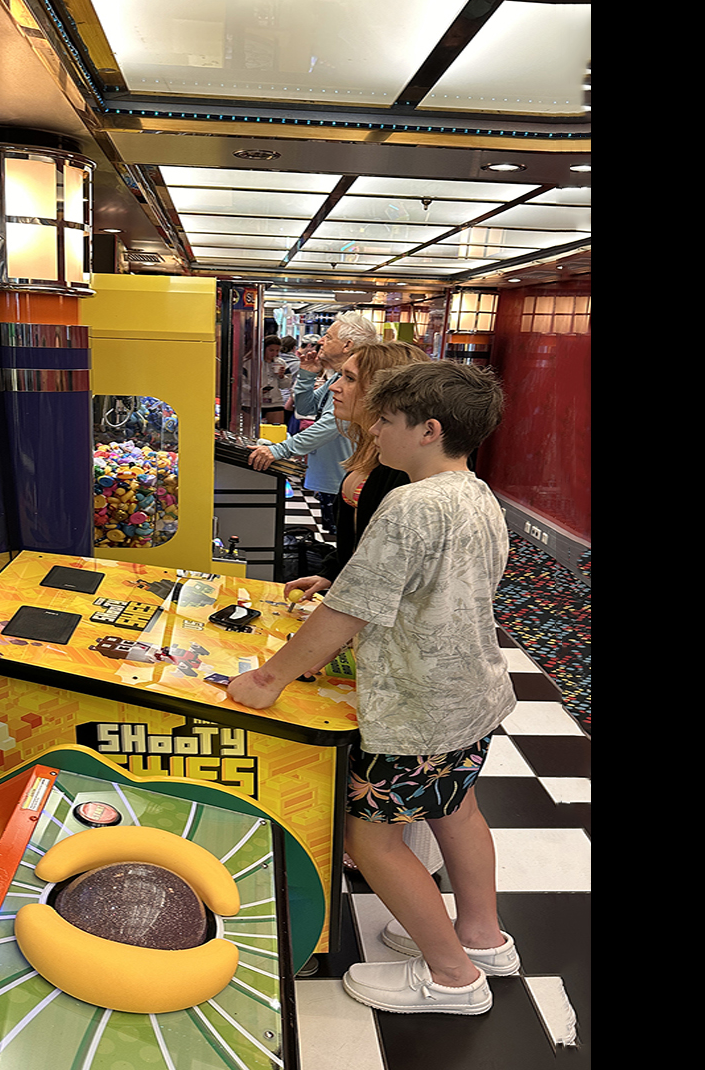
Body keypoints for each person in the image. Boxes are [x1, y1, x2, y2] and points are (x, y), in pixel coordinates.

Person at [227, 360, 518, 1016]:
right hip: (472, 693)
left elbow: (346, 611)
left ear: (429, 430)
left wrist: (270, 677)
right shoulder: (477, 494)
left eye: (387, 420)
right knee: (456, 811)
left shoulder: (411, 505)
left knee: (369, 838)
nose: (375, 430)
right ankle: (483, 938)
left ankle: (452, 978)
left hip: (416, 706)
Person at [283, 339, 427, 601]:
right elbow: (358, 543)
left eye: (349, 378)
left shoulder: (406, 466)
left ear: (383, 390)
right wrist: (332, 573)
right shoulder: (369, 447)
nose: (335, 387)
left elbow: (392, 567)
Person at [248, 313, 378, 532]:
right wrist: (307, 376)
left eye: (328, 337)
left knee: (345, 539)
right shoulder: (337, 377)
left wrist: (280, 450)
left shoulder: (361, 380)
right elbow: (307, 408)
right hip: (333, 474)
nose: (320, 341)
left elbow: (331, 424)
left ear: (347, 345)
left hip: (345, 478)